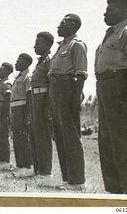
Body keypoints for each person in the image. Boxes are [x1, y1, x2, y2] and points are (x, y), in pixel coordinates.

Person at [95, 0, 127, 194]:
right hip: (104, 86)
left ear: (125, 10)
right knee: (106, 140)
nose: (105, 13)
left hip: (119, 87)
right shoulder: (109, 35)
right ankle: (114, 190)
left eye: (110, 9)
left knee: (122, 140)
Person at [48, 14, 87, 191]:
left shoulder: (76, 45)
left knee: (71, 136)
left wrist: (75, 98)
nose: (58, 26)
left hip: (68, 89)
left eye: (62, 23)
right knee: (60, 135)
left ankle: (77, 181)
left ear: (73, 25)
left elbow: (80, 75)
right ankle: (68, 178)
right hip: (55, 89)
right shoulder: (60, 47)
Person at [30, 32, 54, 182]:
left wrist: (47, 105)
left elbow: (51, 84)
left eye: (38, 43)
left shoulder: (49, 61)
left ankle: (46, 172)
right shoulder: (40, 62)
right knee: (35, 135)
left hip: (43, 97)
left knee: (43, 136)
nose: (35, 46)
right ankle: (38, 169)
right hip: (35, 97)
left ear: (47, 45)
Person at [10, 53, 33, 177]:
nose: (16, 63)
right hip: (14, 108)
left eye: (19, 61)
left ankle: (27, 166)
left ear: (26, 63)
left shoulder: (27, 77)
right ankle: (19, 165)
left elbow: (29, 96)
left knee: (23, 138)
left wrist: (27, 114)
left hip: (22, 108)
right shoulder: (17, 78)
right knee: (17, 138)